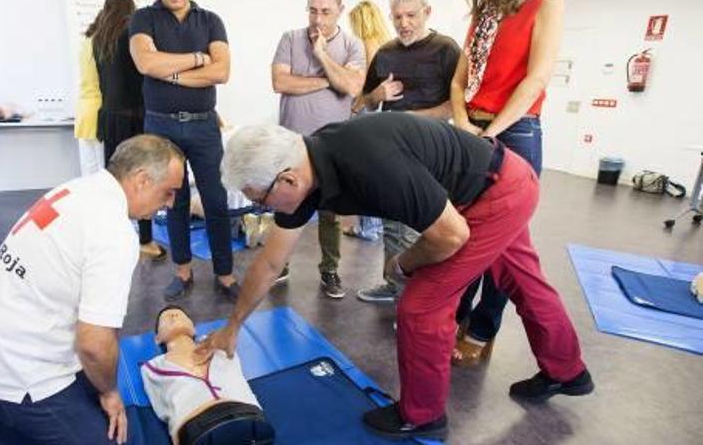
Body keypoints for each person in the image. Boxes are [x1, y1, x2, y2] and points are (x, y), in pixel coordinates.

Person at [197, 114, 593, 440]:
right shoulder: (304, 170)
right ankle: (567, 371)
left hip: (494, 193)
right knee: (522, 280)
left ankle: (423, 415)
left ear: (287, 180)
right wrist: (233, 326)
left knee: (422, 305)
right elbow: (269, 263)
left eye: (259, 200)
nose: (262, 209)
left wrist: (402, 264)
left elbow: (451, 235)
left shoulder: (367, 162)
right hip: (498, 182)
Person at [0, 135, 185, 445]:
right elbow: (93, 344)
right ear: (142, 180)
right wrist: (111, 392)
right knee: (108, 428)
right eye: (168, 192)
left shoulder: (76, 189)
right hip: (16, 376)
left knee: (90, 386)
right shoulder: (113, 233)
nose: (170, 203)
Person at [449, 0, 564, 367]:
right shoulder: (483, 16)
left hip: (514, 130)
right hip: (473, 128)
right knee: (464, 231)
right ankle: (455, 314)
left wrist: (490, 134)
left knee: (503, 242)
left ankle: (483, 328)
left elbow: (536, 78)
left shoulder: (546, 2)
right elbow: (460, 80)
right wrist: (463, 124)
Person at [130, 0, 238, 302]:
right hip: (159, 127)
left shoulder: (211, 21)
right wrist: (194, 61)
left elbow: (221, 71)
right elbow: (146, 62)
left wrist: (169, 73)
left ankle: (224, 273)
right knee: (172, 201)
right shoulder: (143, 18)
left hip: (204, 126)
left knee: (216, 200)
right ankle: (182, 271)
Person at [354, 0, 462, 304]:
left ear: (427, 12)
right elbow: (363, 102)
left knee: (422, 228)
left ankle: (417, 300)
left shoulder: (446, 50)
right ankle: (393, 284)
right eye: (397, 16)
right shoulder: (385, 53)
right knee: (392, 224)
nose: (404, 23)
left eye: (411, 15)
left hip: (432, 153)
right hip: (391, 153)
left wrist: (412, 121)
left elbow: (457, 105)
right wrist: (376, 95)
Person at [271, 0, 365, 298]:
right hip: (292, 143)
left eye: (326, 11)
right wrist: (329, 80)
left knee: (330, 212)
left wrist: (322, 55)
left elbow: (352, 87)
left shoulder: (353, 45)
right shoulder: (290, 38)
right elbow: (280, 82)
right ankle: (279, 264)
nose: (318, 19)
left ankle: (330, 270)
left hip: (331, 146)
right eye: (313, 10)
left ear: (340, 9)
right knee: (284, 204)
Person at [93, 0, 168, 262]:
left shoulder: (98, 39)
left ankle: (112, 237)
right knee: (143, 178)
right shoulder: (131, 34)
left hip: (110, 117)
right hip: (135, 116)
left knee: (114, 181)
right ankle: (145, 240)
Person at [142, 305, 275, 444]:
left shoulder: (220, 342)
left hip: (249, 417)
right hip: (196, 429)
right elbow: (163, 409)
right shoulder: (153, 367)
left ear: (193, 329)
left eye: (180, 314)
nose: (174, 315)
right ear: (157, 338)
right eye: (166, 318)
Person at [341, 0, 390, 242]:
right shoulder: (386, 43)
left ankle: (368, 228)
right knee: (377, 172)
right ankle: (375, 226)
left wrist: (356, 105)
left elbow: (367, 83)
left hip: (368, 112)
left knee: (364, 172)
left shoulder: (368, 44)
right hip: (381, 113)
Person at [74, 5, 105, 176]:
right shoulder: (102, 46)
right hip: (99, 111)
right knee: (103, 171)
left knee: (89, 170)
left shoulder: (86, 43)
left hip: (83, 112)